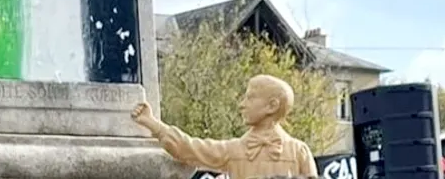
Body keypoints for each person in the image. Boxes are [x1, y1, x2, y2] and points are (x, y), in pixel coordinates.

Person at [132, 74, 318, 179]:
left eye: (250, 97)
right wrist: (153, 125)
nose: (242, 104)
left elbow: (189, 149)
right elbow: (189, 148)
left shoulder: (298, 151)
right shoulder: (235, 150)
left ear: (272, 106)